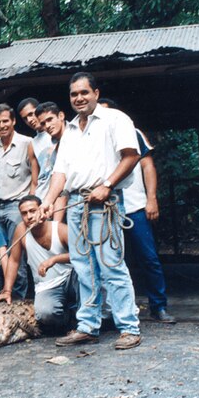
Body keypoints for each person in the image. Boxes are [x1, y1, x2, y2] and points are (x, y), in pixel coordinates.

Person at [40, 72, 142, 350]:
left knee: (111, 265)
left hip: (104, 203)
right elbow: (60, 172)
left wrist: (107, 185)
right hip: (76, 205)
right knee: (84, 268)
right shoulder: (70, 130)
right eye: (74, 94)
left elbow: (131, 155)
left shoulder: (115, 119)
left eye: (84, 92)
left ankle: (129, 327)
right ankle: (88, 325)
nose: (79, 98)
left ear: (96, 93)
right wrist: (48, 201)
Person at [98, 99, 175, 324]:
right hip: (106, 209)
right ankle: (117, 312)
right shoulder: (90, 138)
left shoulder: (132, 132)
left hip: (134, 206)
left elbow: (147, 165)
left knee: (148, 257)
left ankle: (158, 306)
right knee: (112, 261)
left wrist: (151, 199)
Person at [0, 196, 78, 333]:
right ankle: (69, 321)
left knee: (84, 274)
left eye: (33, 211)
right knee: (45, 315)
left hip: (71, 278)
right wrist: (7, 291)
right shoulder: (21, 230)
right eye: (24, 213)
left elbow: (82, 255)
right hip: (47, 284)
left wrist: (54, 259)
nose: (29, 216)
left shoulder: (60, 229)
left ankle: (83, 321)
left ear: (42, 210)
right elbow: (14, 261)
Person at [0, 103, 37, 299]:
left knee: (18, 257)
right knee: (0, 257)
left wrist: (28, 207)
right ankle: (1, 300)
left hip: (17, 207)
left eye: (5, 121)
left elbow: (35, 178)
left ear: (13, 121)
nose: (1, 125)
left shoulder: (27, 143)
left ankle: (17, 303)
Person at [34, 102, 69, 222]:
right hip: (62, 204)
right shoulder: (54, 148)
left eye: (50, 119)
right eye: (43, 123)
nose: (47, 126)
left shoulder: (77, 136)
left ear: (61, 116)